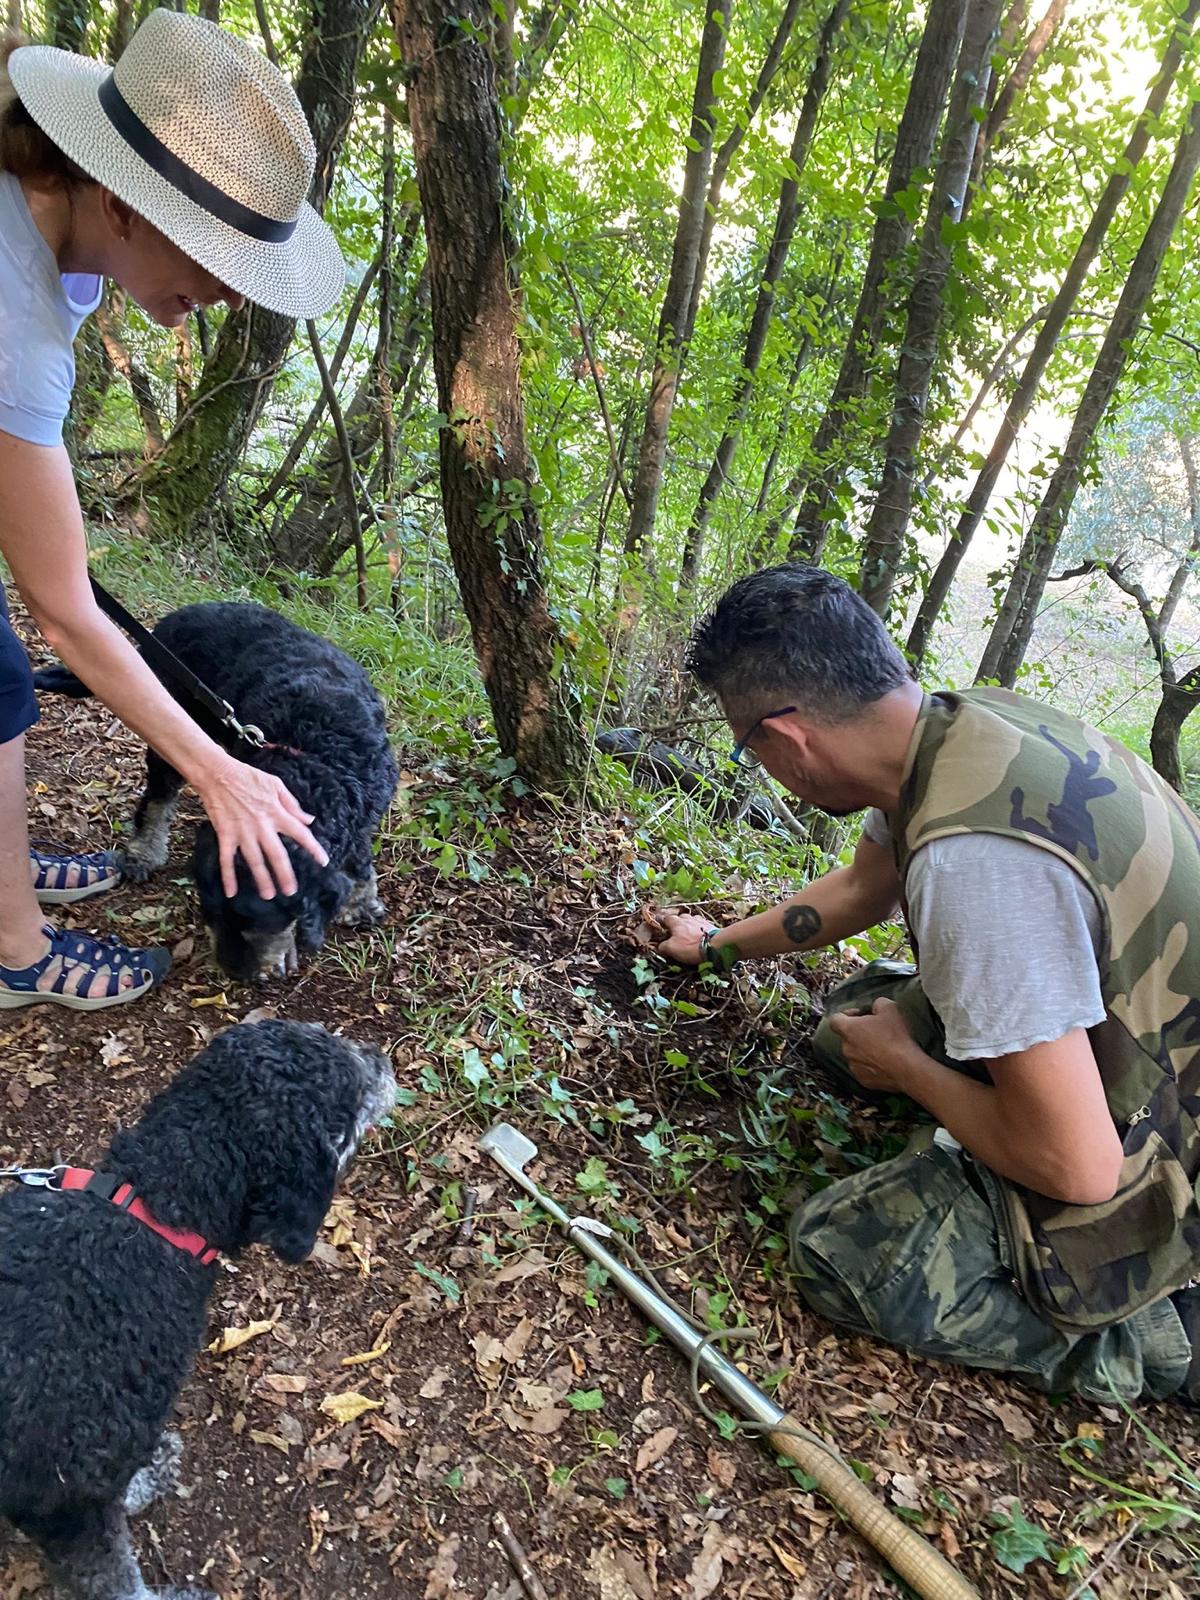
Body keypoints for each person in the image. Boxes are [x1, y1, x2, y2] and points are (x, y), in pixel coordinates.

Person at [654, 563, 1200, 1404]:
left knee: (846, 1252)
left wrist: (911, 1067)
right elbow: (860, 889)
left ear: (785, 740)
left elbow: (1080, 1166)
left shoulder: (974, 865)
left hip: (1161, 1136)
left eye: (745, 742)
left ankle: (1153, 1344)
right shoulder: (949, 733)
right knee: (849, 1025)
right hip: (1139, 1030)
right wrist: (716, 948)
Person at [0, 10, 347, 1011]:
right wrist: (215, 769)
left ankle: (7, 876)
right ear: (121, 203)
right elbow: (65, 605)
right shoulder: (16, 323)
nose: (231, 298)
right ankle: (17, 950)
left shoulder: (48, 220)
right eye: (215, 258)